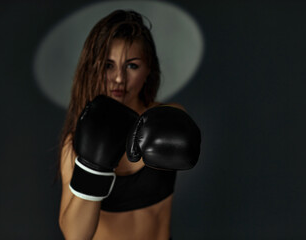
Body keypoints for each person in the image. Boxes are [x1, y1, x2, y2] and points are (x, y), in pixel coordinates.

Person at [57, 9, 201, 240]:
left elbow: (186, 142)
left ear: (148, 69)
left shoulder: (166, 118)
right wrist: (94, 167)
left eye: (131, 66)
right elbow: (75, 235)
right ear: (92, 68)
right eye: (108, 65)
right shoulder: (76, 144)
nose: (119, 79)